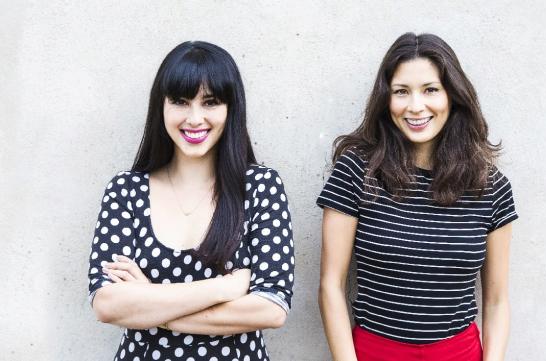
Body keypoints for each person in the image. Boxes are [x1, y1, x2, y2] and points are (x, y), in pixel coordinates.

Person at [88, 41, 295, 361]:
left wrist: (149, 304)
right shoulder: (125, 191)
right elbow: (107, 304)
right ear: (162, 107)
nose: (195, 118)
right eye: (181, 102)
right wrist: (224, 289)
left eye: (210, 102)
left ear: (231, 108)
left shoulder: (259, 187)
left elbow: (270, 309)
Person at [317, 33, 518, 361]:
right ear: (386, 99)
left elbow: (496, 301)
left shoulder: (490, 186)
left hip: (459, 352)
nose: (415, 106)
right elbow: (330, 287)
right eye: (401, 92)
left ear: (452, 95)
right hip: (374, 351)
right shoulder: (356, 171)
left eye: (430, 90)